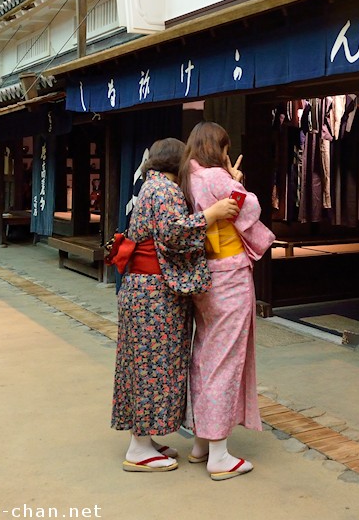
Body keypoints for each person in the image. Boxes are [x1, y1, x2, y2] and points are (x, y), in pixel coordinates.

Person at [110, 138, 239, 472]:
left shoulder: (151, 186)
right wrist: (212, 213)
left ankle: (144, 440)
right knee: (154, 366)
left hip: (143, 290)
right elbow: (173, 233)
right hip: (154, 295)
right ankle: (138, 448)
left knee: (143, 365)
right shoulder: (165, 191)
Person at [180, 121, 275, 481]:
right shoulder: (216, 176)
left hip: (205, 273)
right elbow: (248, 208)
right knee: (225, 357)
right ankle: (218, 452)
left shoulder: (188, 177)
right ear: (216, 147)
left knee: (206, 352)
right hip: (229, 273)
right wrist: (235, 180)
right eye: (223, 146)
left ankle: (202, 441)